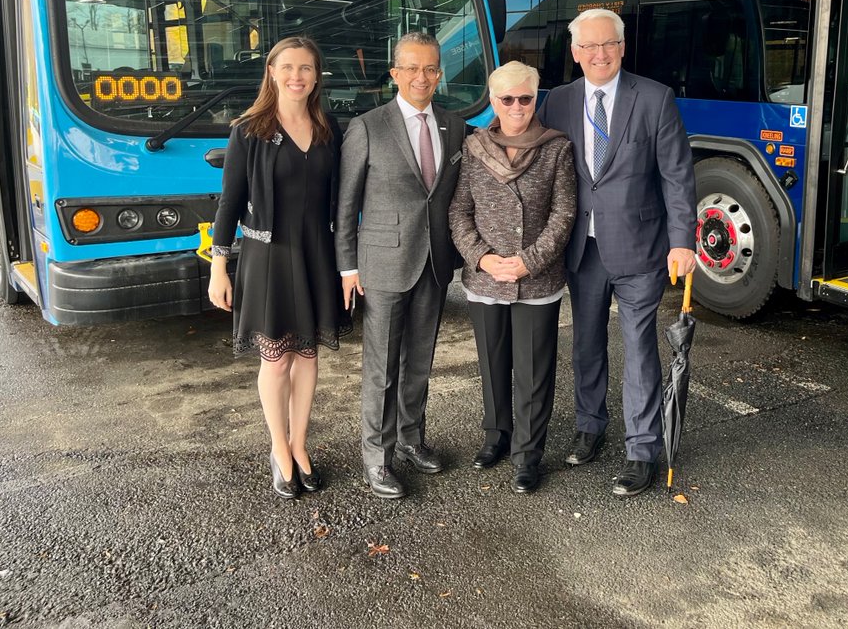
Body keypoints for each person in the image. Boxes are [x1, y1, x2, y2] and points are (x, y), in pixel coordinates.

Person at [539, 8, 697, 497]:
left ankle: (641, 448)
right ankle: (590, 426)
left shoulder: (654, 98)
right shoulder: (557, 102)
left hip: (640, 248)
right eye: (588, 47)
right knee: (586, 343)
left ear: (623, 47)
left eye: (608, 44)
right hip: (581, 249)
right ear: (574, 53)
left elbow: (676, 175)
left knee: (640, 349)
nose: (599, 54)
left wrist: (682, 241)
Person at [208, 36, 351, 500]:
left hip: (317, 254)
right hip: (268, 257)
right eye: (287, 67)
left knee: (308, 355)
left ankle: (300, 443)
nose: (297, 76)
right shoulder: (248, 130)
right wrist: (218, 266)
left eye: (306, 68)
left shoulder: (330, 127)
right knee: (277, 358)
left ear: (317, 76)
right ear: (271, 71)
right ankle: (278, 449)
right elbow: (229, 201)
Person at [336, 32, 466, 499]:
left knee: (420, 364)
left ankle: (411, 439)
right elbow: (346, 204)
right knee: (382, 368)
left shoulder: (454, 125)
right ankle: (377, 457)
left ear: (439, 73)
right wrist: (348, 267)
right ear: (394, 73)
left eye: (430, 68)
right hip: (383, 265)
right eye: (411, 68)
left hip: (434, 263)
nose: (421, 77)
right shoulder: (368, 126)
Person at [449, 62, 576, 494]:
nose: (517, 106)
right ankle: (497, 436)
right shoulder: (474, 147)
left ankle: (527, 453)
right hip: (485, 279)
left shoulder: (557, 148)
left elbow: (564, 213)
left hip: (537, 280)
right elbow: (459, 210)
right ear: (493, 101)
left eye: (526, 98)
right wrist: (482, 259)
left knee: (534, 371)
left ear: (536, 98)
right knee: (492, 363)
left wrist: (529, 261)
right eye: (507, 99)